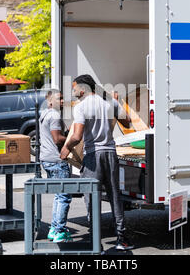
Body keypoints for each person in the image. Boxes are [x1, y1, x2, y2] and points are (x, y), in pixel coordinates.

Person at [60, 74, 134, 251]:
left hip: (93, 156)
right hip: (110, 154)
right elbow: (127, 122)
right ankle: (122, 238)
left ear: (83, 89)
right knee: (115, 196)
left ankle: (96, 242)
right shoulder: (109, 103)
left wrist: (66, 148)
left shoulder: (81, 107)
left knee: (92, 198)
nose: (73, 91)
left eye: (74, 87)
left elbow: (77, 136)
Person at [39, 89, 72, 243]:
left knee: (59, 196)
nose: (62, 101)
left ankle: (54, 228)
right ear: (50, 102)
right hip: (56, 161)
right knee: (64, 196)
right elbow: (57, 139)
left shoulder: (44, 114)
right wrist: (72, 139)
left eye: (63, 98)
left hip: (46, 159)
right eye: (59, 99)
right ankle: (59, 231)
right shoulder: (54, 114)